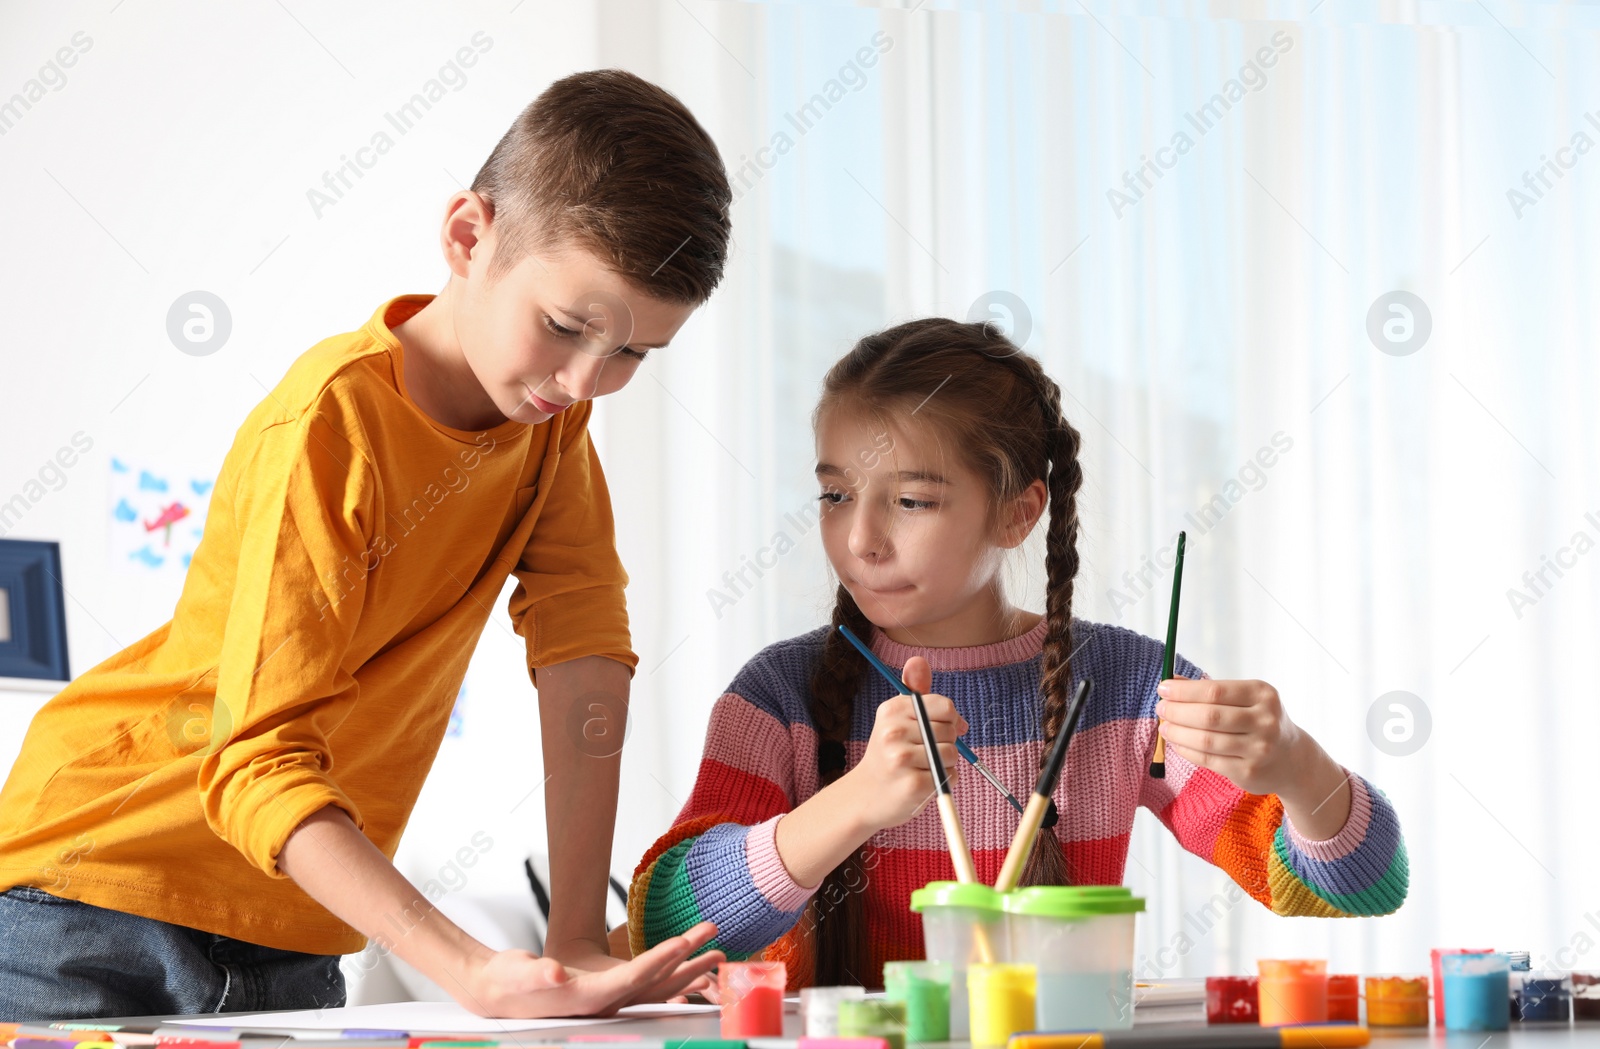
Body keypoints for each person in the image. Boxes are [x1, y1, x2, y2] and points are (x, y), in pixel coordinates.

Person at [0, 69, 732, 1021]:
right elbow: (255, 760)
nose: (590, 378)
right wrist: (471, 969)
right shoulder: (329, 424)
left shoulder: (550, 423)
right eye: (565, 326)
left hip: (295, 926)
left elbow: (584, 649)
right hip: (90, 894)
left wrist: (576, 939)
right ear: (469, 237)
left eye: (635, 352)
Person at [627, 318, 1408, 988]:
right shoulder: (780, 693)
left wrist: (1300, 768)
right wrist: (853, 801)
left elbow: (1363, 888)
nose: (860, 538)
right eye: (835, 494)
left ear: (1016, 512)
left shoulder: (1130, 688)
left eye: (910, 501)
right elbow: (667, 925)